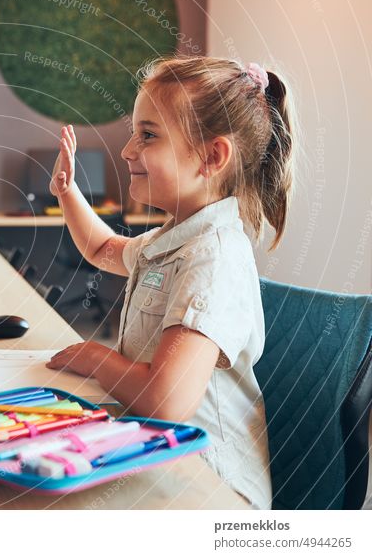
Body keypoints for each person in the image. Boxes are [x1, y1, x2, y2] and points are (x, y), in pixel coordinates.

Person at [46, 56, 296, 509]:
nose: (127, 150)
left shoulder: (212, 257)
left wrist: (94, 356)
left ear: (211, 157)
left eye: (148, 135)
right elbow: (102, 248)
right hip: (163, 452)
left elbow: (166, 400)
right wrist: (67, 191)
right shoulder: (175, 239)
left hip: (211, 488)